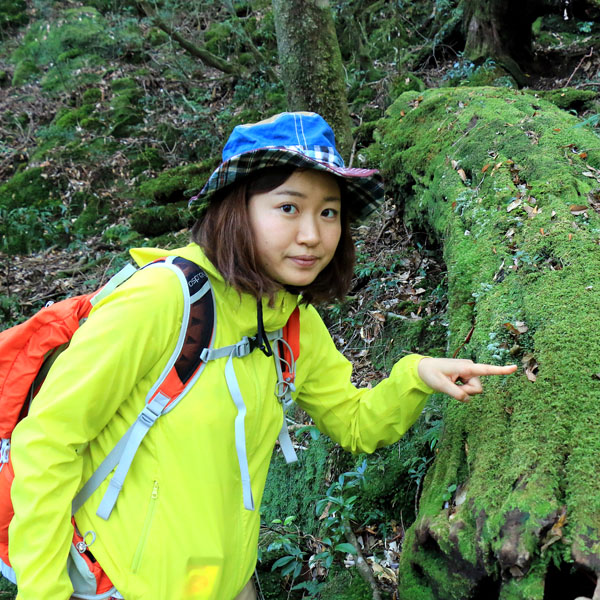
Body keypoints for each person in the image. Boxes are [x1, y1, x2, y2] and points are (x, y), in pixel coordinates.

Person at [8, 111, 516, 600]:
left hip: (228, 583)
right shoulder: (161, 302)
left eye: (329, 212)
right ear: (235, 208)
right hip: (119, 586)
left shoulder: (291, 323)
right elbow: (49, 444)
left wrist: (417, 375)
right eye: (288, 207)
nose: (313, 235)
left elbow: (355, 423)